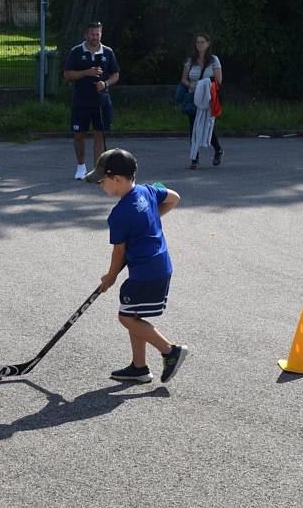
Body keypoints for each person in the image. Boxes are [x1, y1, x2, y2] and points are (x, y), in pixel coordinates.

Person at [84, 148, 189, 383]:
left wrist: (110, 277)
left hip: (146, 273)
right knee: (134, 314)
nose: (101, 186)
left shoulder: (120, 214)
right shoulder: (147, 191)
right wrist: (151, 219)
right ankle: (139, 367)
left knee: (126, 317)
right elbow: (174, 197)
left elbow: (119, 250)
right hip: (160, 266)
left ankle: (170, 351)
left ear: (117, 180)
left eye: (102, 181)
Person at [63, 22, 120, 180]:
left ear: (101, 34)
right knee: (79, 134)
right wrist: (86, 72)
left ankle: (97, 169)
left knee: (99, 134)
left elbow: (115, 74)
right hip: (81, 101)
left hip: (101, 101)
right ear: (86, 35)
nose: (95, 37)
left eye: (97, 34)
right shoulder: (76, 51)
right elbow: (67, 74)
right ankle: (81, 166)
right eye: (92, 34)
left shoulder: (108, 52)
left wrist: (105, 83)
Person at [180, 33, 224, 168]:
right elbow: (184, 79)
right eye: (198, 42)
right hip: (192, 97)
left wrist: (205, 85)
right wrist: (190, 85)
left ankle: (218, 149)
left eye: (202, 42)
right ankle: (194, 159)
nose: (199, 45)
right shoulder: (190, 60)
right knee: (193, 128)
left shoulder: (214, 60)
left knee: (207, 127)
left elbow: (219, 80)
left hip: (207, 99)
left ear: (208, 43)